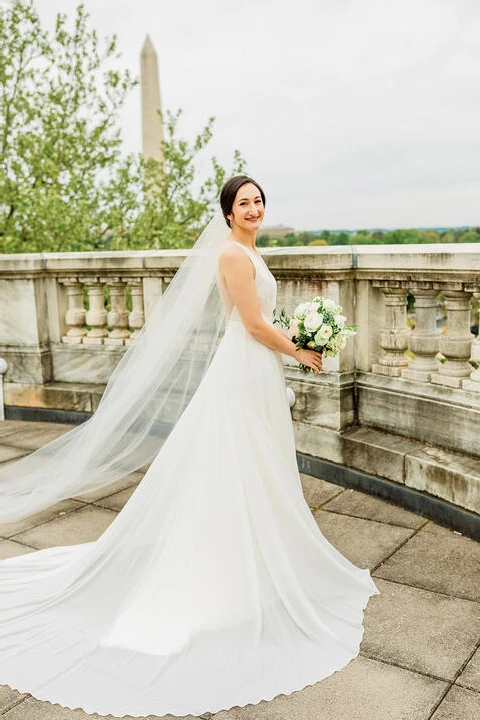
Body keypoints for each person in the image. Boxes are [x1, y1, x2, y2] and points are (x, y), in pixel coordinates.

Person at [0, 176, 380, 718]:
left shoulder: (249, 251)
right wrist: (301, 349)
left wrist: (296, 340)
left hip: (257, 372)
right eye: (243, 203)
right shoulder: (232, 255)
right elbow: (251, 324)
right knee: (236, 465)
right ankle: (224, 576)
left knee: (257, 467)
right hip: (244, 370)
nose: (253, 209)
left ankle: (261, 563)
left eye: (258, 201)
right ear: (227, 214)